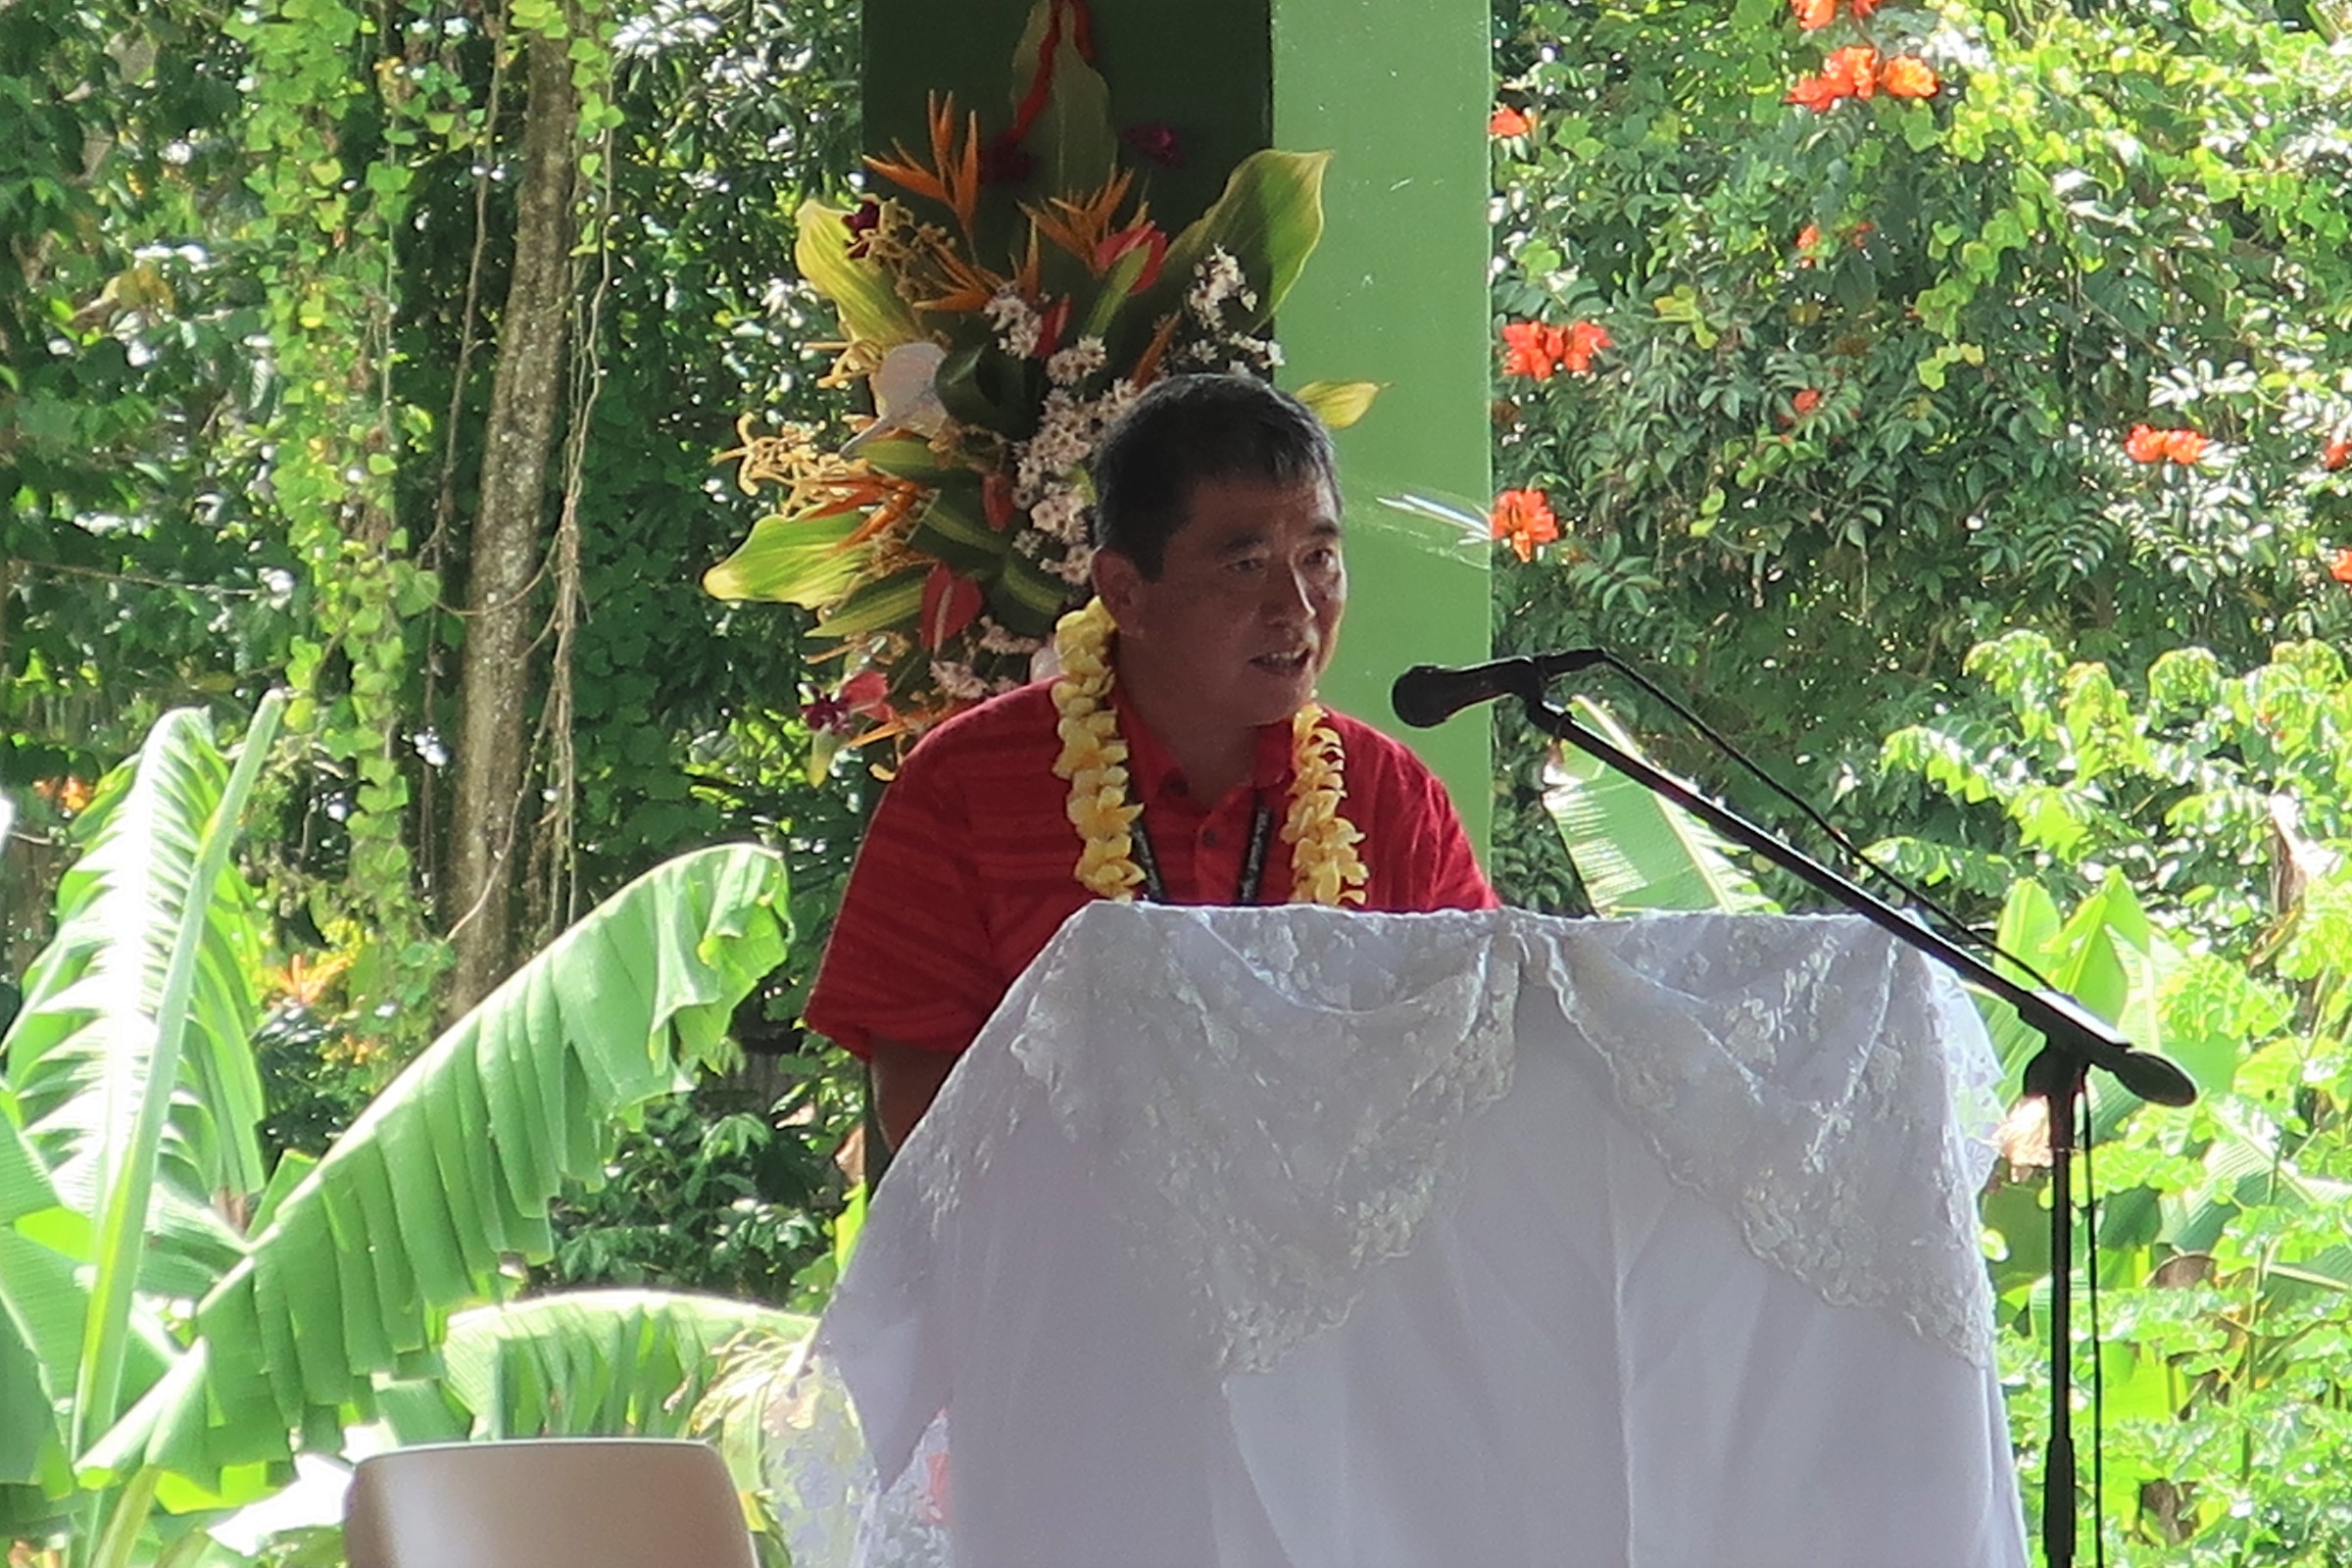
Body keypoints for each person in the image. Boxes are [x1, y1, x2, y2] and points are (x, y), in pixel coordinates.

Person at [807, 373, 1498, 1149]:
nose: (1297, 608)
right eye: (1245, 566)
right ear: (1125, 592)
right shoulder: (967, 783)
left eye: (1319, 558)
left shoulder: (1391, 798)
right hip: (1061, 1258)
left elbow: (1474, 1057)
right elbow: (916, 1095)